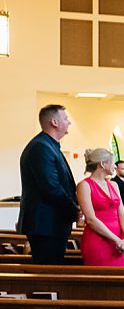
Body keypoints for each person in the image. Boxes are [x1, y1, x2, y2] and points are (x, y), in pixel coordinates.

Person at [18, 105, 79, 264]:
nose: (69, 122)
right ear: (54, 122)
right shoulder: (41, 147)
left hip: (51, 223)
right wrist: (74, 209)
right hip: (45, 224)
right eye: (65, 119)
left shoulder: (49, 146)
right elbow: (51, 188)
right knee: (48, 274)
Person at [77, 148, 124, 267]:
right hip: (98, 240)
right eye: (112, 163)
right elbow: (90, 219)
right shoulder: (84, 186)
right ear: (102, 164)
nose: (115, 167)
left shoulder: (114, 185)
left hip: (120, 242)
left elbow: (122, 214)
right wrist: (116, 240)